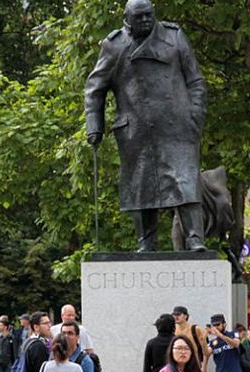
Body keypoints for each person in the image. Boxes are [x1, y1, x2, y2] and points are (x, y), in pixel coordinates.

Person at [85, 0, 207, 252]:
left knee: (185, 180)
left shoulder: (174, 37)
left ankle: (195, 239)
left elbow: (195, 80)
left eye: (149, 15)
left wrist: (195, 114)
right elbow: (94, 89)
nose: (145, 20)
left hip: (178, 125)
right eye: (139, 17)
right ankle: (146, 242)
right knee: (141, 185)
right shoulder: (114, 45)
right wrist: (94, 125)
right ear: (126, 18)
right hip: (136, 129)